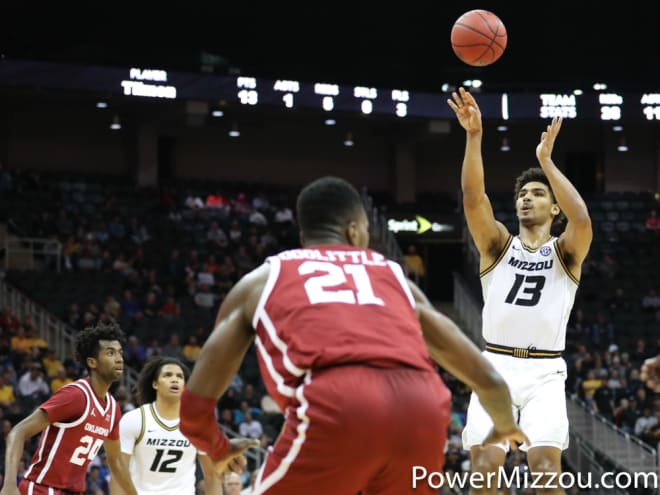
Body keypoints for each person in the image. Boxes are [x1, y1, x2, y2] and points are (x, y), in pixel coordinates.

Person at [180, 176, 528, 495]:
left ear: (305, 239)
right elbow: (489, 380)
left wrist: (219, 447)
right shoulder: (396, 279)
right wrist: (503, 426)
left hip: (337, 404)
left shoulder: (261, 279)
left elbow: (195, 410)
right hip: (422, 406)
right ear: (354, 232)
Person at [448, 87, 593, 494]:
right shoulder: (497, 245)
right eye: (522, 195)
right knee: (483, 471)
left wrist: (545, 162)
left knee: (546, 472)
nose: (526, 198)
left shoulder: (565, 252)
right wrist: (474, 137)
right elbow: (473, 197)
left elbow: (581, 218)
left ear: (554, 208)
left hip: (545, 372)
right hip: (495, 367)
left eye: (537, 193)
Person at [0, 321, 138, 495]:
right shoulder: (75, 396)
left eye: (120, 353)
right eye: (110, 353)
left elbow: (116, 461)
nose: (119, 359)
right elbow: (18, 432)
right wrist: (10, 484)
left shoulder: (112, 407)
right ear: (92, 362)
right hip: (43, 489)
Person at [116, 356, 222, 495]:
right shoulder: (135, 419)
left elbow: (211, 476)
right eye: (167, 375)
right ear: (155, 384)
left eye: (179, 376)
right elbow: (119, 473)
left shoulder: (198, 424)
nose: (174, 379)